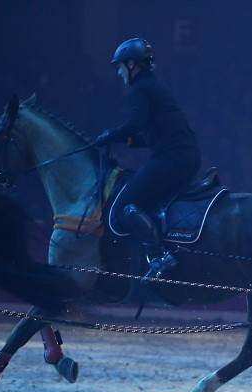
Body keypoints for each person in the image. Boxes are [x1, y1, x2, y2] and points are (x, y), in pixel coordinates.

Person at [95, 38, 201, 275]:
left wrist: (110, 135)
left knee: (125, 206)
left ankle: (159, 255)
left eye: (120, 66)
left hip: (172, 159)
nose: (119, 72)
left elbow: (136, 123)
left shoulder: (139, 89)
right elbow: (151, 135)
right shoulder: (155, 87)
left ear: (132, 64)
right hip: (186, 157)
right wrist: (128, 140)